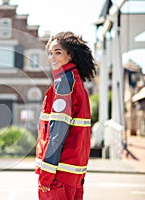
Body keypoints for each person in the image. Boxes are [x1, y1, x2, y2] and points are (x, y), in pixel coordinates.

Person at [35, 31, 96, 200]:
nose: (52, 57)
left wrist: (46, 174)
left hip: (58, 175)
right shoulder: (77, 82)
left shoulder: (64, 83)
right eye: (50, 53)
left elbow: (58, 132)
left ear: (70, 54)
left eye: (58, 52)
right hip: (73, 174)